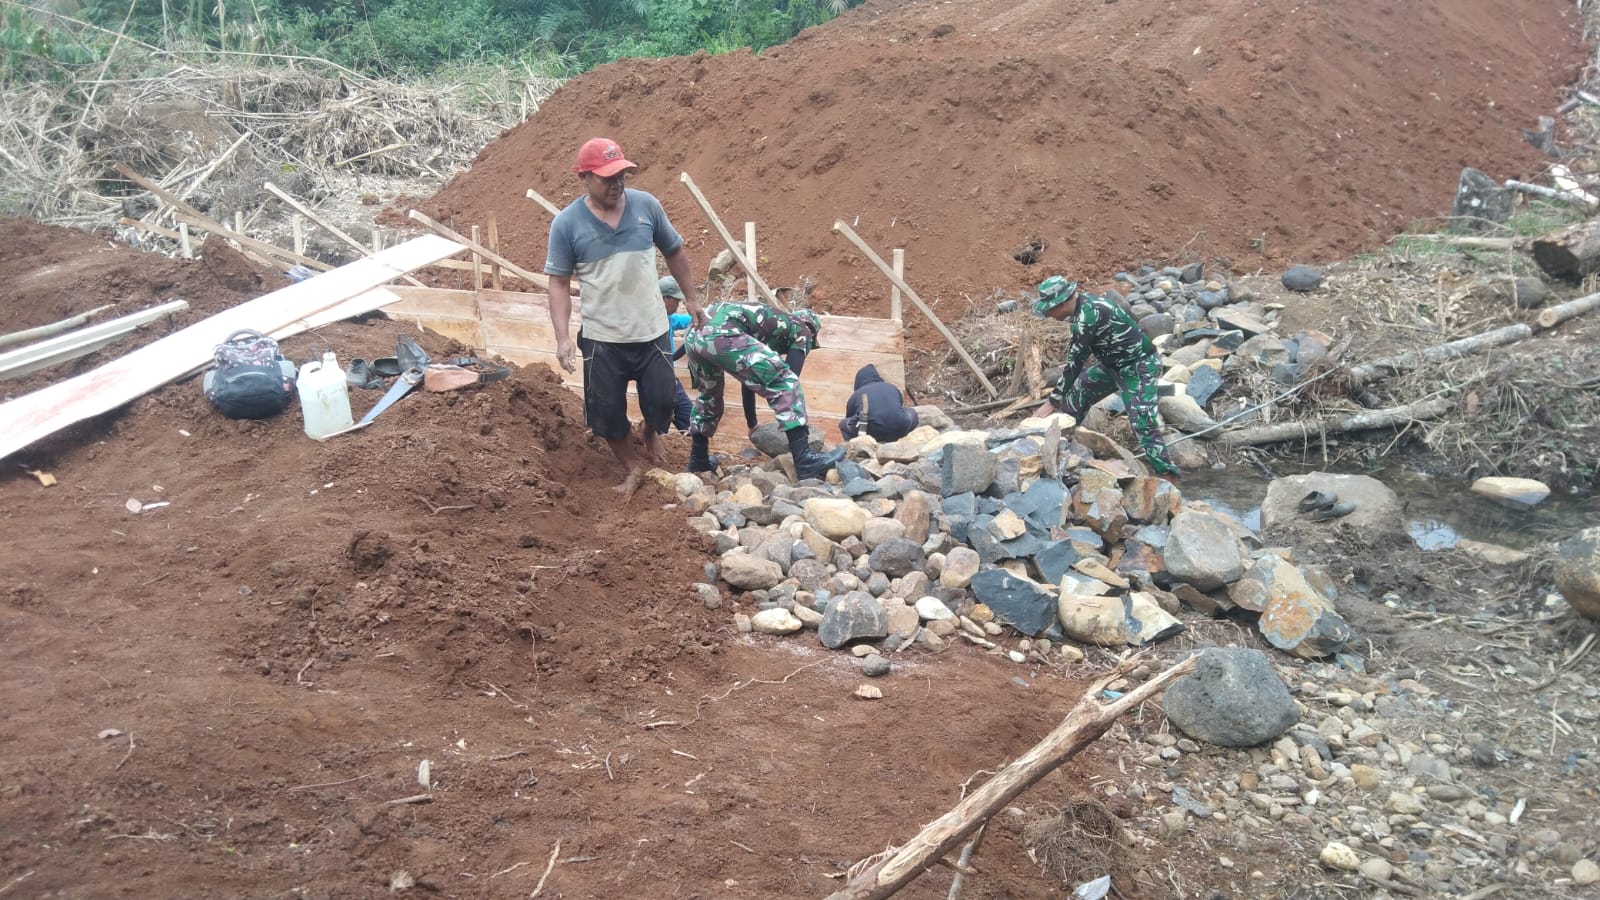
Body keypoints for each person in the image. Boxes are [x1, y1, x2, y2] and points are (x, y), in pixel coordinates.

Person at [544, 137, 705, 492]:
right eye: (607, 178)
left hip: (651, 330)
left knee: (663, 401)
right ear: (584, 177)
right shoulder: (567, 224)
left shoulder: (646, 206)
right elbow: (558, 283)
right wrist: (563, 337)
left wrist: (692, 299)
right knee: (606, 412)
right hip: (604, 338)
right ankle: (631, 466)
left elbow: (674, 250)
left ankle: (650, 431)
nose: (617, 183)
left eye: (621, 175)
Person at [1030, 275, 1180, 480]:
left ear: (1062, 302)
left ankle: (1167, 476)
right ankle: (1065, 445)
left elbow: (1075, 364)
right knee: (1078, 392)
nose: (1048, 314)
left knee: (1142, 421)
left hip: (1138, 367)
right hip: (1112, 366)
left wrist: (1051, 402)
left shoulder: (1087, 315)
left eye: (1050, 309)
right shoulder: (1082, 305)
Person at [683, 302, 843, 480]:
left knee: (709, 396)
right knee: (785, 382)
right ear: (813, 332)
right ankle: (804, 459)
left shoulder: (770, 325)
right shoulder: (803, 329)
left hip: (694, 331)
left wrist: (752, 424)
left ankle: (698, 459)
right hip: (720, 331)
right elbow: (787, 380)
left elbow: (750, 378)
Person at [839, 363, 920, 442]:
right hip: (899, 428)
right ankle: (903, 441)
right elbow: (901, 406)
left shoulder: (857, 394)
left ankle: (854, 447)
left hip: (872, 433)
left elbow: (850, 417)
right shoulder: (892, 387)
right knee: (912, 412)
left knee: (843, 424)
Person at [658, 276, 695, 432]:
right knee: (659, 427)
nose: (679, 304)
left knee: (692, 424)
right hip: (655, 382)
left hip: (670, 379)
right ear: (664, 299)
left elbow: (690, 320)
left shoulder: (670, 319)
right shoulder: (648, 324)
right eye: (676, 300)